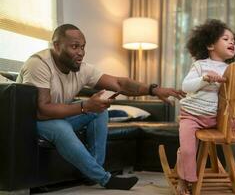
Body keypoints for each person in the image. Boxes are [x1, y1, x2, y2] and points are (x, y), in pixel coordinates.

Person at [16, 24, 186, 190]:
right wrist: (85, 106)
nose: (81, 53)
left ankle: (92, 173)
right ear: (57, 46)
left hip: (56, 115)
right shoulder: (38, 64)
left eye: (83, 47)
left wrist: (153, 89)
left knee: (100, 112)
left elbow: (120, 83)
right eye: (75, 47)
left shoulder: (82, 69)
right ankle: (105, 178)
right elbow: (42, 110)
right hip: (32, 121)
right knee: (61, 127)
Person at [176, 19, 235, 195]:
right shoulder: (200, 65)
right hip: (192, 116)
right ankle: (185, 179)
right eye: (226, 39)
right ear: (210, 44)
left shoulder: (230, 68)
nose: (231, 42)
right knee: (187, 149)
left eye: (233, 40)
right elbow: (186, 86)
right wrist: (204, 79)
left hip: (217, 117)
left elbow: (231, 98)